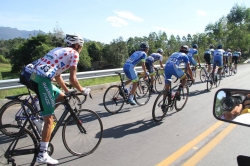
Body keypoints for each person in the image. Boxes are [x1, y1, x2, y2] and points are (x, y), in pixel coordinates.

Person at [29, 33, 90, 164]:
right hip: (43, 80)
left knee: (62, 97)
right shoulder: (74, 53)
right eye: (80, 46)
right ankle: (42, 154)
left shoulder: (58, 50)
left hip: (35, 77)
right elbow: (72, 79)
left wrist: (68, 91)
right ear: (77, 45)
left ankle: (40, 115)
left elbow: (58, 76)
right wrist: (82, 90)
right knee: (49, 120)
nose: (80, 49)